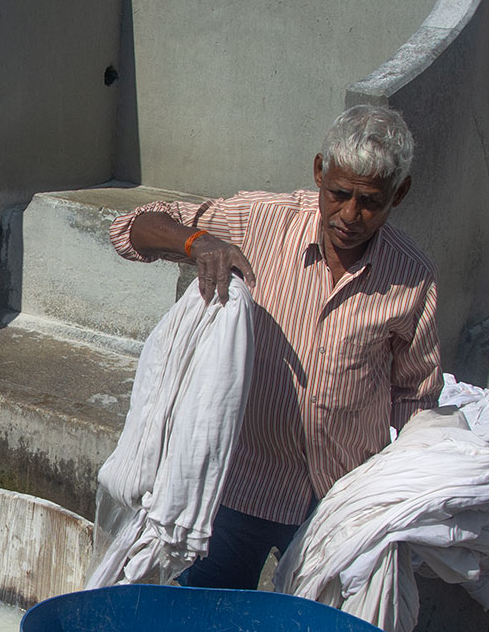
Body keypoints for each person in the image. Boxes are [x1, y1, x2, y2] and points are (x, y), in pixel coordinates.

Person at [108, 104, 440, 590]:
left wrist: (403, 493)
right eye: (338, 194)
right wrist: (197, 242)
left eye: (370, 202)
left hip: (338, 497)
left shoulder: (413, 275)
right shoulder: (260, 220)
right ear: (319, 172)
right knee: (209, 614)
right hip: (240, 484)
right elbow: (128, 227)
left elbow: (416, 395)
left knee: (315, 625)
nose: (350, 215)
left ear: (400, 194)